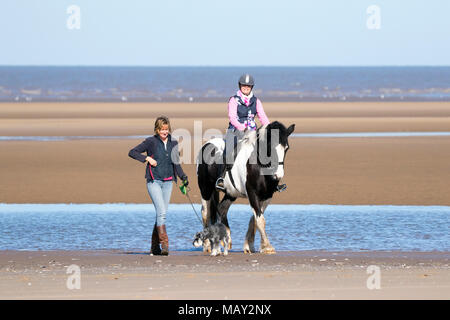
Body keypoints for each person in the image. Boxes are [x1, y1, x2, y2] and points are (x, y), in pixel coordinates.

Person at [128, 116, 188, 255]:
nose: (164, 132)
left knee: (161, 214)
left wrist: (183, 177)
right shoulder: (151, 142)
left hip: (168, 181)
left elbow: (176, 163)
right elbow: (132, 152)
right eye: (162, 129)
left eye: (166, 129)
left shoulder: (173, 143)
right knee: (161, 212)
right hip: (154, 180)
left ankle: (154, 247)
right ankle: (165, 245)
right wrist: (147, 158)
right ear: (157, 129)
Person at [215, 74, 270, 190]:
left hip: (252, 131)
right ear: (240, 86)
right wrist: (242, 128)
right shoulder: (233, 100)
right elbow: (232, 118)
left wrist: (268, 127)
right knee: (228, 151)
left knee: (267, 150)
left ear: (252, 87)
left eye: (248, 86)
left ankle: (271, 180)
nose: (246, 87)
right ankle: (221, 177)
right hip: (236, 130)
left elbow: (262, 117)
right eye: (244, 85)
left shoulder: (256, 101)